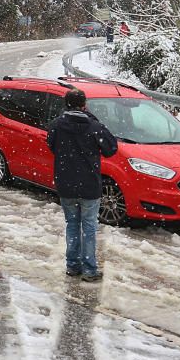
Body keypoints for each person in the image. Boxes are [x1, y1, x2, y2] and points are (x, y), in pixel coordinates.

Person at [46, 88, 118, 281]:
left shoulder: (56, 125)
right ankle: (89, 269)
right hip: (89, 186)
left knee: (72, 224)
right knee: (89, 227)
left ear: (66, 104)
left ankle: (72, 266)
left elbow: (51, 145)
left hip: (66, 184)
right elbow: (111, 148)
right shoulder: (94, 127)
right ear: (84, 104)